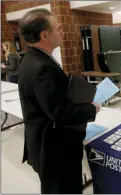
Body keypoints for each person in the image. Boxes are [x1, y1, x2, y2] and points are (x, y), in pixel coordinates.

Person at [18, 9, 100, 194]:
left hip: (47, 145)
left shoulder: (32, 59)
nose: (62, 32)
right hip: (55, 151)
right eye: (59, 28)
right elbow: (59, 113)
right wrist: (91, 109)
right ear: (44, 35)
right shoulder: (42, 68)